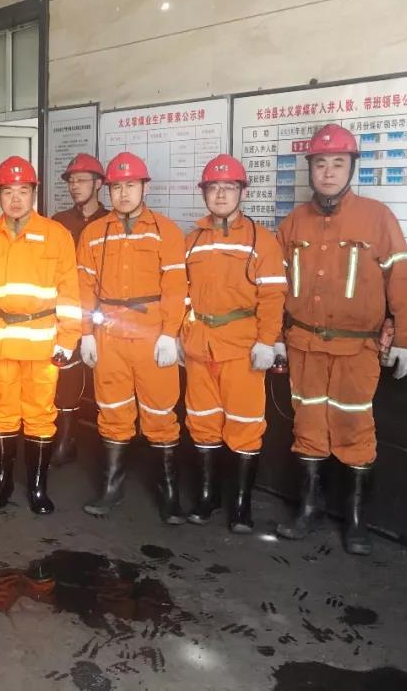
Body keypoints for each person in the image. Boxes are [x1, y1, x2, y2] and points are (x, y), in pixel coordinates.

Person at [275, 124, 407, 555]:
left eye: (338, 163)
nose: (328, 172)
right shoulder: (293, 222)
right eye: (320, 163)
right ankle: (309, 509)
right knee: (307, 427)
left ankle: (356, 521)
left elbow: (402, 280)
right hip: (303, 346)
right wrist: (273, 337)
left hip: (357, 350)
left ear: (352, 168)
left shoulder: (377, 217)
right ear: (310, 169)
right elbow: (273, 286)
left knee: (355, 428)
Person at [76, 152, 188, 521]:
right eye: (116, 187)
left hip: (152, 334)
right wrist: (86, 333)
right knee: (112, 411)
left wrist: (170, 334)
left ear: (144, 188)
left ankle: (169, 492)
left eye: (130, 185)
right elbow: (84, 287)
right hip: (109, 334)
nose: (123, 193)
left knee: (160, 412)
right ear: (107, 190)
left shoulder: (165, 231)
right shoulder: (94, 233)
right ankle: (112, 488)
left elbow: (176, 287)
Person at [180, 154, 287, 532]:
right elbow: (181, 293)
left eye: (229, 187)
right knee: (202, 422)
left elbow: (273, 296)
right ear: (204, 194)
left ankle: (241, 506)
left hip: (242, 346)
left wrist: (267, 341)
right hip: (200, 344)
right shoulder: (192, 240)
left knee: (245, 424)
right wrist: (179, 334)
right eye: (214, 188)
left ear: (243, 192)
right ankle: (207, 497)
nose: (221, 194)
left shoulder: (262, 240)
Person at [0, 157, 81, 514]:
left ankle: (38, 487)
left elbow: (69, 292)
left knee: (40, 414)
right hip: (0, 339)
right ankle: (3, 484)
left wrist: (68, 339)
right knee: (2, 413)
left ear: (34, 193)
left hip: (42, 342)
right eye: (8, 192)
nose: (16, 199)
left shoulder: (56, 235)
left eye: (23, 191)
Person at [48, 153, 109, 465]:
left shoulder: (110, 221)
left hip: (106, 309)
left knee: (109, 376)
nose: (75, 186)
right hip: (70, 307)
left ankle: (111, 442)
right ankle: (66, 438)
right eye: (71, 181)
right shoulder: (58, 222)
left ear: (98, 184)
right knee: (67, 371)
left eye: (82, 180)